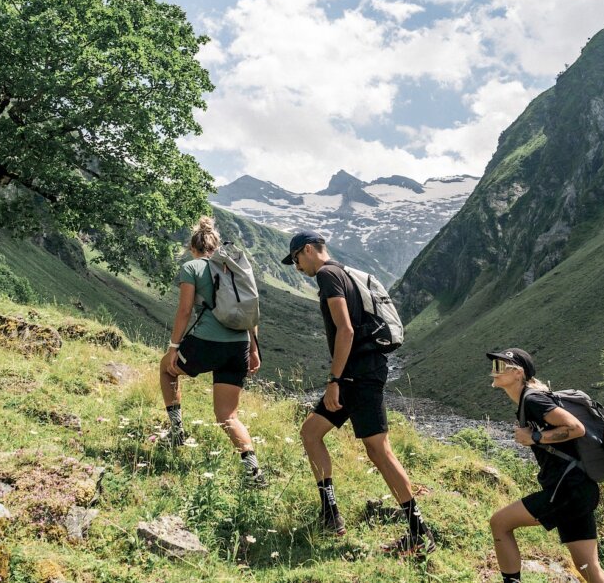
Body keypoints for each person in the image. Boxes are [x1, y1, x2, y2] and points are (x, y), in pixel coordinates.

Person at [284, 229, 436, 556]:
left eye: (296, 259)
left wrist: (334, 380)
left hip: (357, 375)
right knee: (311, 433)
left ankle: (420, 532)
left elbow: (346, 329)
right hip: (361, 372)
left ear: (308, 250)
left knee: (379, 450)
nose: (297, 267)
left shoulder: (327, 275)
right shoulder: (344, 272)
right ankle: (331, 514)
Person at [487, 348, 604, 583]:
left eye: (499, 367)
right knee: (589, 568)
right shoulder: (529, 399)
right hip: (579, 489)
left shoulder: (533, 400)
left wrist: (535, 437)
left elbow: (576, 428)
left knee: (500, 523)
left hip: (568, 490)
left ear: (518, 373)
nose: (493, 371)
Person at [160, 216, 266, 487]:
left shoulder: (191, 267)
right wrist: (254, 349)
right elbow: (250, 311)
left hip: (207, 342)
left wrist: (174, 347)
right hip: (240, 345)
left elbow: (185, 310)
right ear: (216, 247)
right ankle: (254, 473)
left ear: (192, 247)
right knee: (227, 415)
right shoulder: (233, 268)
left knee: (167, 369)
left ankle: (177, 432)